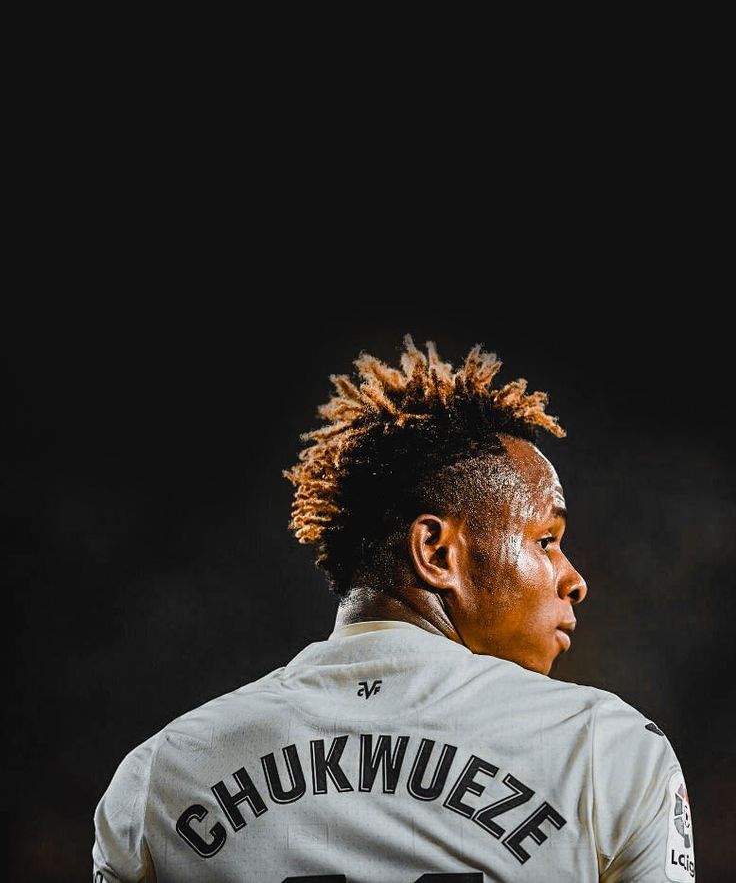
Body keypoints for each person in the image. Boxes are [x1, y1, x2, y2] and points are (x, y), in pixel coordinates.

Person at [93, 336, 695, 881]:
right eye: (545, 540)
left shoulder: (161, 774)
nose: (574, 579)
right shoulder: (603, 749)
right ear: (436, 552)